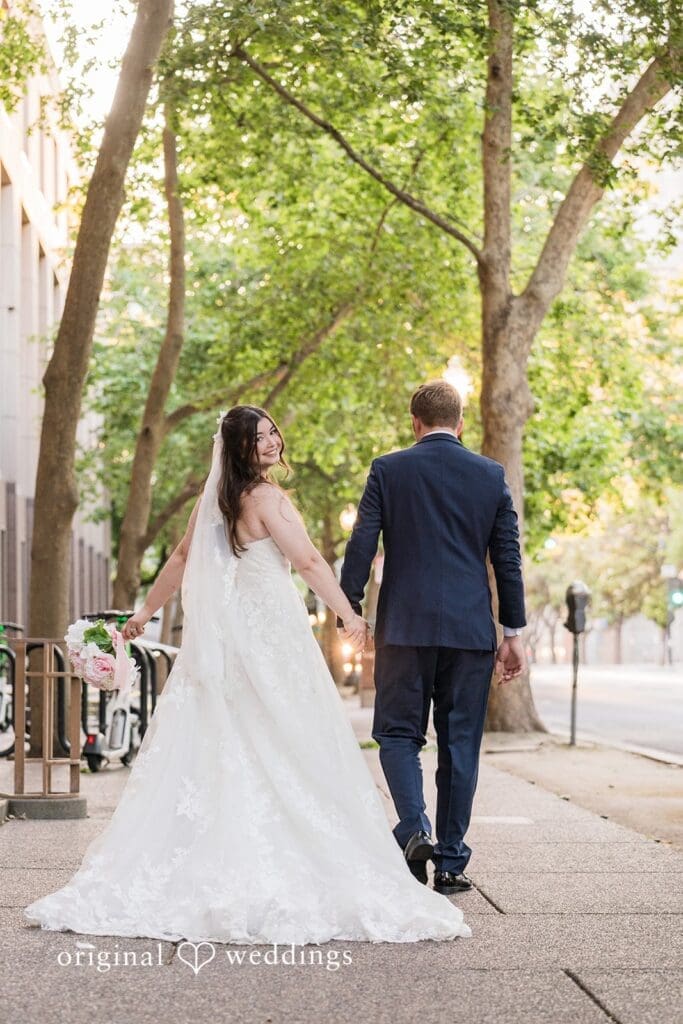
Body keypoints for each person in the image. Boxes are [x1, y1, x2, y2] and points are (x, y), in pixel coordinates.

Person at [23, 405, 471, 944]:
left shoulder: (213, 501)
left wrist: (144, 613)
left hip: (226, 641)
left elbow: (183, 556)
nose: (272, 442)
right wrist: (349, 615)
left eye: (273, 432)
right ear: (239, 448)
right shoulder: (267, 500)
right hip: (271, 639)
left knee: (227, 741)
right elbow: (306, 563)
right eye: (260, 438)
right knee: (288, 739)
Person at [339, 380, 526, 894]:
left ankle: (413, 829)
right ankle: (449, 863)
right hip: (470, 631)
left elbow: (362, 541)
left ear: (414, 422)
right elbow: (507, 557)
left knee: (398, 734)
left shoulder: (388, 469)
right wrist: (513, 632)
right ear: (460, 423)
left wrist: (347, 607)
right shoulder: (491, 475)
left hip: (404, 627)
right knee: (460, 743)